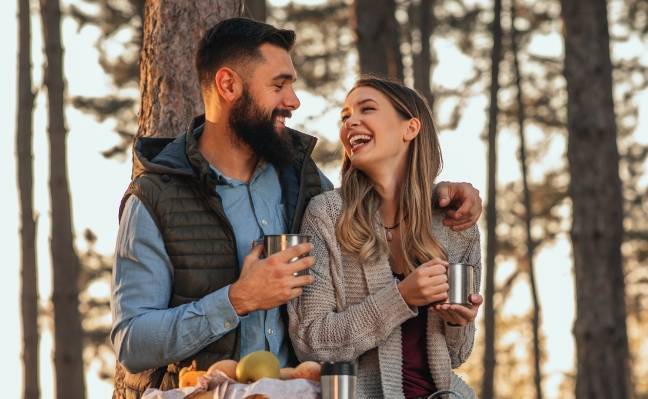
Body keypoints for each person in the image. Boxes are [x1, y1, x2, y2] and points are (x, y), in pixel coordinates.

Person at [110, 18, 482, 399]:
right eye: (279, 85)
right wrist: (239, 299)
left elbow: (372, 199)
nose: (293, 101)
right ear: (228, 85)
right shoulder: (154, 199)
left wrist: (443, 194)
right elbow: (131, 343)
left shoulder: (301, 180)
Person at [288, 75, 483, 399]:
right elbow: (311, 342)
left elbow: (458, 356)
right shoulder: (326, 215)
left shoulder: (455, 223)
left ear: (410, 128)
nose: (351, 122)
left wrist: (457, 323)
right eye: (346, 116)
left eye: (367, 109)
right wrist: (401, 297)